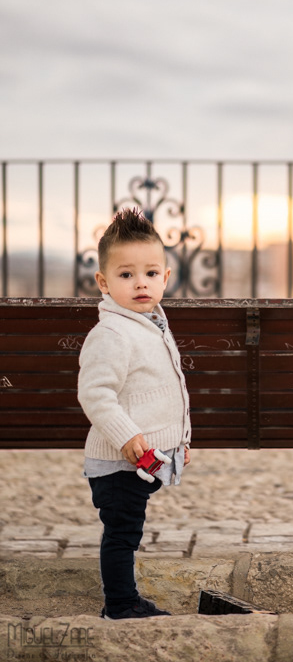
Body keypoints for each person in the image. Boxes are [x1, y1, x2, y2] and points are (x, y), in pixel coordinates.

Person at [78, 208, 191, 620]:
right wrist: (126, 437)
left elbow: (170, 390)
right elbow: (96, 395)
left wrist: (181, 442)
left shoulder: (152, 323)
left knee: (129, 529)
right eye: (126, 275)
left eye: (150, 273)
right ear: (104, 283)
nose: (140, 282)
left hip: (143, 460)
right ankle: (120, 604)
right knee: (122, 533)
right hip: (119, 460)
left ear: (166, 276)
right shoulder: (112, 332)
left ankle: (125, 599)